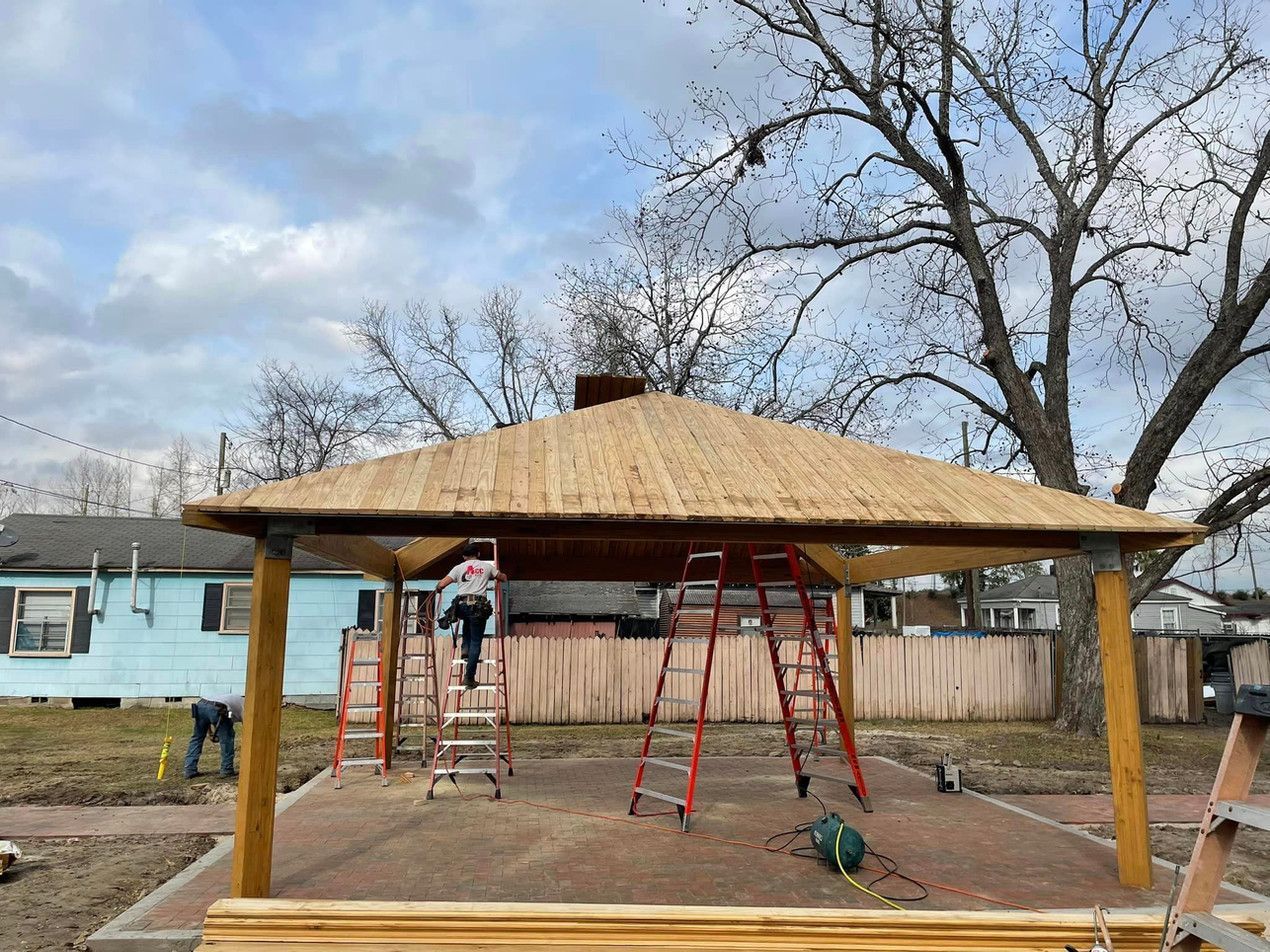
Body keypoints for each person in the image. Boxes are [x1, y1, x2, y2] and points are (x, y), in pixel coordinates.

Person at [435, 542, 507, 690]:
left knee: (467, 620)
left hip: (461, 606)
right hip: (478, 606)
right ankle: (469, 677)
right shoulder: (487, 567)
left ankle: (465, 650)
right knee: (476, 641)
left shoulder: (458, 568)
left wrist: (438, 588)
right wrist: (502, 576)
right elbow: (502, 577)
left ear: (464, 556)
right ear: (478, 554)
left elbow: (442, 584)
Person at [184, 692, 244, 779]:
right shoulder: (245, 704)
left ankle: (189, 769)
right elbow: (248, 725)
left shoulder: (232, 698)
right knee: (227, 739)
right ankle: (227, 769)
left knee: (197, 738)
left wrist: (210, 733)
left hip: (201, 704)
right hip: (219, 708)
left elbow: (207, 714)